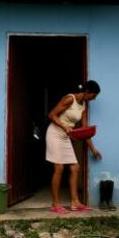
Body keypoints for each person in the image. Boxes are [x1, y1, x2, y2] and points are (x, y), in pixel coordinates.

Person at [46, 80, 102, 214]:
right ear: (87, 92)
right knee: (59, 167)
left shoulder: (83, 106)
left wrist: (92, 149)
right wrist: (64, 126)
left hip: (66, 136)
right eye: (93, 96)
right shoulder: (69, 99)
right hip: (54, 133)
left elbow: (85, 130)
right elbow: (51, 115)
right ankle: (55, 204)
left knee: (75, 167)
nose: (94, 99)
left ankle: (75, 202)